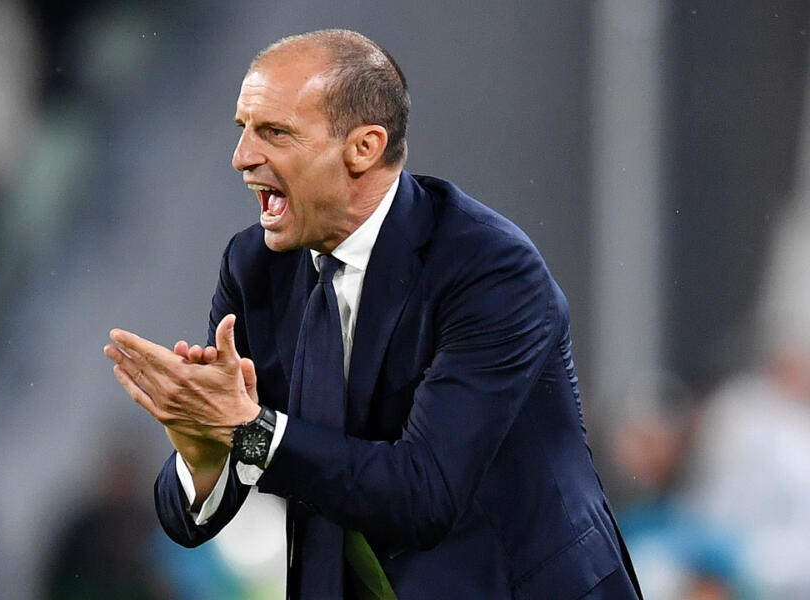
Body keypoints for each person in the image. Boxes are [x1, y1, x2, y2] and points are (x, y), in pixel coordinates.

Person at [104, 29, 640, 599]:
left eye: (275, 132)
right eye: (244, 129)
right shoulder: (253, 267)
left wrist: (244, 430)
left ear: (363, 148)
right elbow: (191, 512)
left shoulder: (489, 269)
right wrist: (204, 452)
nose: (242, 157)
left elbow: (423, 494)